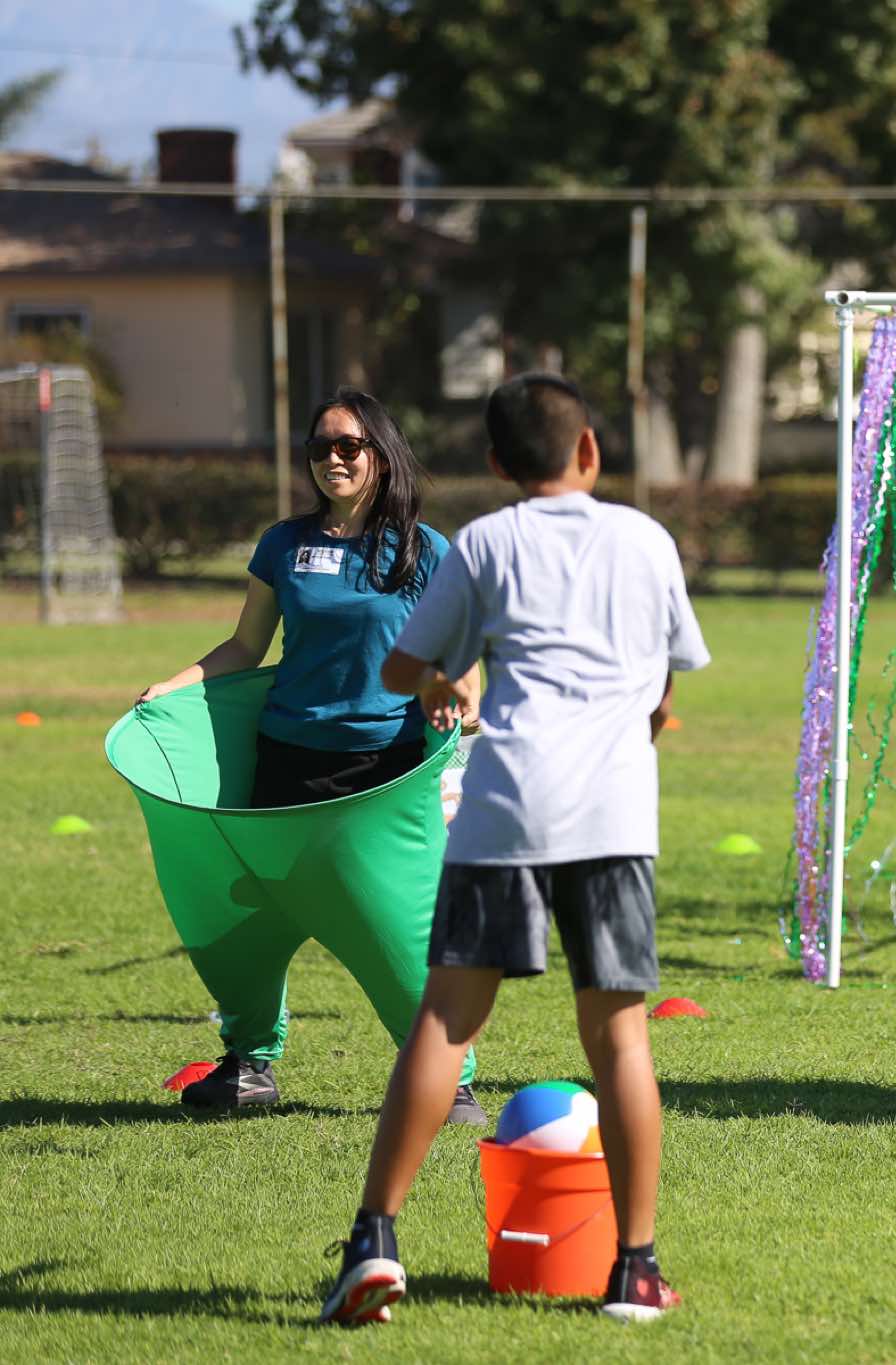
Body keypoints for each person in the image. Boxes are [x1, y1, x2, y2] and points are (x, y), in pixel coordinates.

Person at [317, 372, 710, 1327]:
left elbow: (401, 667)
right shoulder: (647, 540)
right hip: (613, 817)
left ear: (497, 463)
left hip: (504, 809)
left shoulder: (487, 542)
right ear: (591, 450)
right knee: (620, 1036)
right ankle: (636, 1268)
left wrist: (441, 678)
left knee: (447, 1022)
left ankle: (374, 1240)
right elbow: (666, 686)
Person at [138, 387, 485, 1124]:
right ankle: (249, 1063)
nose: (333, 458)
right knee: (250, 927)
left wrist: (463, 697)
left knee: (396, 930)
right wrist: (173, 685)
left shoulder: (426, 550)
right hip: (285, 763)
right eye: (320, 446)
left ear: (381, 456)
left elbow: (462, 656)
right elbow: (244, 646)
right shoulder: (284, 545)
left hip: (383, 774)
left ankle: (446, 1078)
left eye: (348, 445)